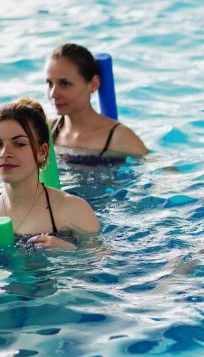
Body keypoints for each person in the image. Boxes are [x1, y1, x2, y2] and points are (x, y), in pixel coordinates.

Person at [0, 101, 99, 249]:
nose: (4, 154)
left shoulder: (73, 209)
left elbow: (104, 263)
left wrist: (71, 253)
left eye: (19, 144)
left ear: (42, 152)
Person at [45, 43, 148, 162]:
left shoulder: (118, 138)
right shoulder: (47, 132)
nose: (53, 94)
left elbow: (160, 171)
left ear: (94, 84)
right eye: (49, 84)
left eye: (64, 84)